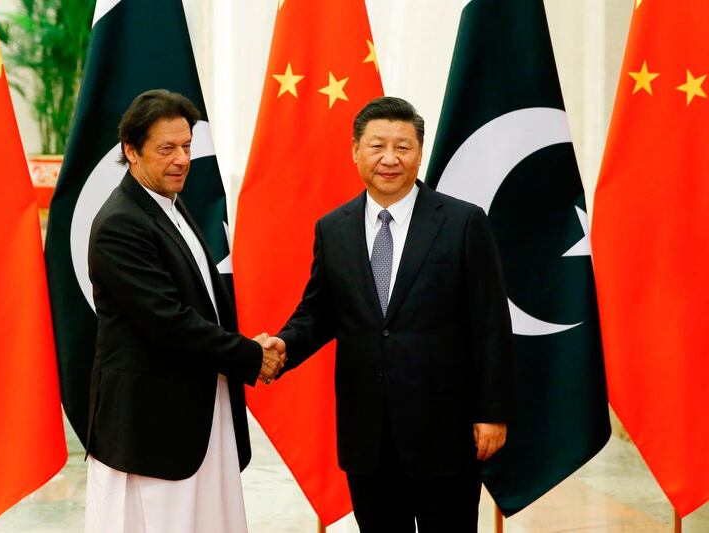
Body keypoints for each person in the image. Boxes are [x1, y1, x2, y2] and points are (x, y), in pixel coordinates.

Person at [263, 96, 513, 532]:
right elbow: (319, 311)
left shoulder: (462, 222)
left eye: (403, 146)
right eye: (377, 146)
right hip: (368, 436)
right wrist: (283, 346)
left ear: (420, 152)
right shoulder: (333, 228)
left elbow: (491, 325)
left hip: (445, 433)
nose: (390, 159)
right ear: (356, 151)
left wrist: (492, 412)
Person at [85, 89, 284, 533]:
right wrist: (251, 356)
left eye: (187, 146)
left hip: (197, 411)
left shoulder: (170, 205)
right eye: (167, 148)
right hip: (153, 428)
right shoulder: (120, 223)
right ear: (131, 151)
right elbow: (167, 323)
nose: (181, 160)